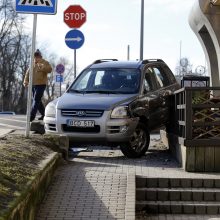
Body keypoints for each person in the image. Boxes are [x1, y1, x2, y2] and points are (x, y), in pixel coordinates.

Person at [23, 49, 52, 122]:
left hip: (41, 84)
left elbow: (50, 70)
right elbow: (27, 73)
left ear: (40, 56)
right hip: (33, 85)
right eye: (35, 56)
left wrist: (42, 67)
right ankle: (44, 114)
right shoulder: (32, 64)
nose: (36, 58)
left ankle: (31, 116)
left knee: (36, 99)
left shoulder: (45, 62)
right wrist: (26, 81)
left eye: (37, 56)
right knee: (37, 101)